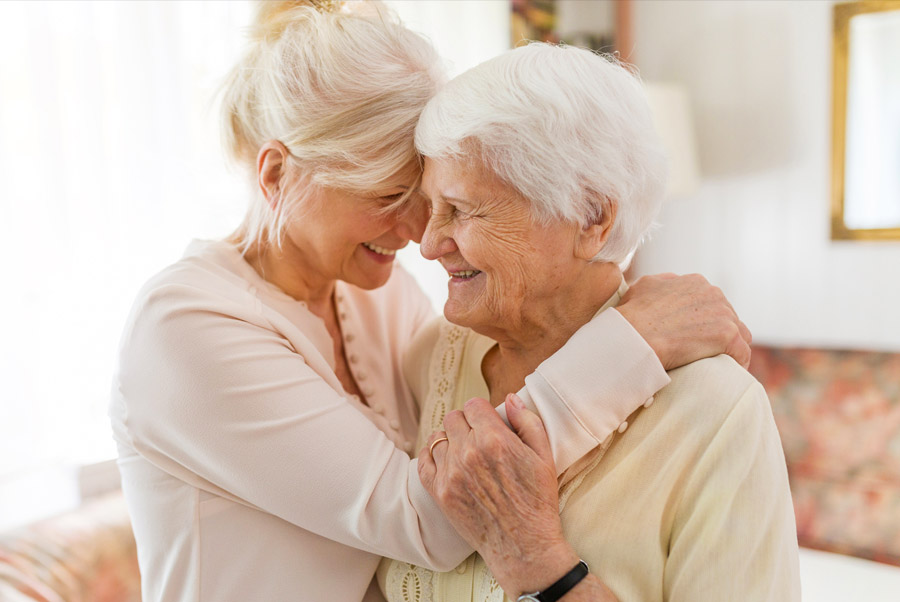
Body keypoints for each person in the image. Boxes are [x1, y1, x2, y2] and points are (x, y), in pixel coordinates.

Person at [109, 3, 753, 601]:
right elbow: (430, 517)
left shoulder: (371, 293)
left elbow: (471, 394)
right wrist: (631, 342)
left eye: (430, 198)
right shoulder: (185, 329)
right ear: (277, 175)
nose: (418, 233)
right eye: (387, 197)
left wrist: (620, 306)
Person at [378, 43, 800, 602]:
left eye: (463, 208)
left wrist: (539, 565)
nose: (430, 244)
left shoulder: (717, 413)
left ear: (590, 217)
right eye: (431, 206)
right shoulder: (430, 358)